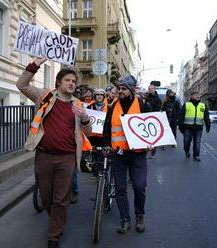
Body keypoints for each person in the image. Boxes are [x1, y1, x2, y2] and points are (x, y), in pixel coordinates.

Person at [16, 57, 91, 248]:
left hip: (67, 159)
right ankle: (56, 221)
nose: (71, 83)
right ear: (59, 82)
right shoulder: (46, 96)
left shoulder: (78, 105)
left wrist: (84, 118)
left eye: (74, 81)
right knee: (47, 196)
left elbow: (88, 132)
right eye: (68, 80)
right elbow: (21, 85)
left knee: (61, 199)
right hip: (44, 155)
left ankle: (54, 235)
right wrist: (35, 65)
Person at [103, 74, 151, 234]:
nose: (120, 91)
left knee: (139, 186)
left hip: (138, 154)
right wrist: (106, 146)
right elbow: (107, 129)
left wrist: (152, 144)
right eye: (119, 89)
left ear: (131, 90)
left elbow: (152, 127)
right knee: (120, 187)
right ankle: (125, 219)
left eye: (123, 89)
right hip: (119, 154)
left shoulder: (143, 105)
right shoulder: (113, 107)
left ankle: (140, 216)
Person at [179, 91, 210, 161]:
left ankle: (196, 155)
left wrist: (208, 126)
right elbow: (181, 116)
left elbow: (206, 117)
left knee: (197, 142)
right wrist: (180, 126)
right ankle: (186, 151)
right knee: (187, 141)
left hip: (198, 128)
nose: (198, 96)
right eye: (196, 95)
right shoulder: (186, 104)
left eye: (199, 95)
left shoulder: (203, 105)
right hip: (188, 127)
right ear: (192, 96)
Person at [145, 83, 162, 158]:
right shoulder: (145, 97)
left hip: (153, 119)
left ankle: (153, 152)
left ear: (154, 90)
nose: (150, 90)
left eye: (152, 88)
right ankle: (145, 150)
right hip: (144, 119)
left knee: (153, 136)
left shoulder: (158, 99)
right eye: (149, 88)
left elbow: (157, 110)